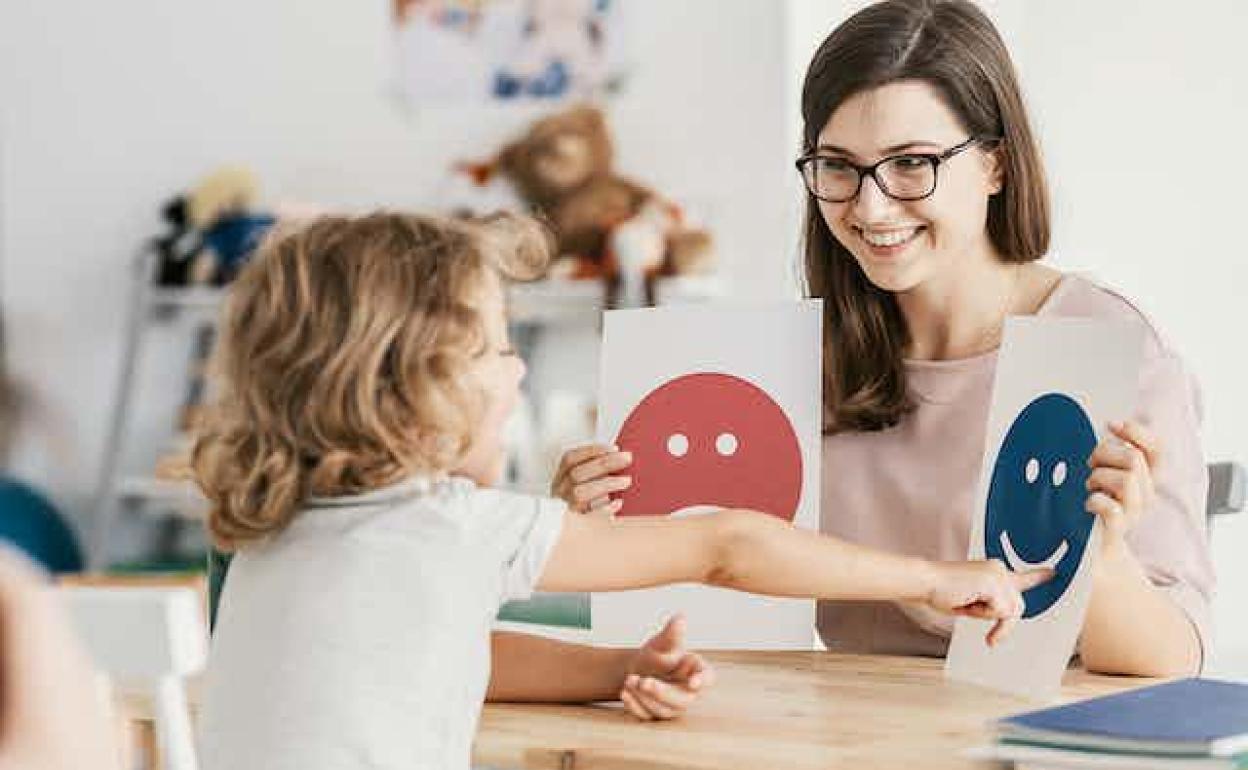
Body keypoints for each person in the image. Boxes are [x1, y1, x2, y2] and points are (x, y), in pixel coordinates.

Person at [192, 211, 1044, 770]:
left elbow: (452, 651)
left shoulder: (272, 535)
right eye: (492, 349)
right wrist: (934, 578)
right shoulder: (452, 528)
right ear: (404, 386)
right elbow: (726, 545)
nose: (517, 369)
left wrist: (619, 667)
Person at [555, 0, 1214, 678]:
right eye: (838, 166)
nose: (870, 208)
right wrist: (595, 531)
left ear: (996, 165)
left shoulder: (1109, 347)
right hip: (854, 730)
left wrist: (1102, 559)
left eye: (911, 163)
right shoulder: (792, 367)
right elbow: (715, 598)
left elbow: (1172, 660)